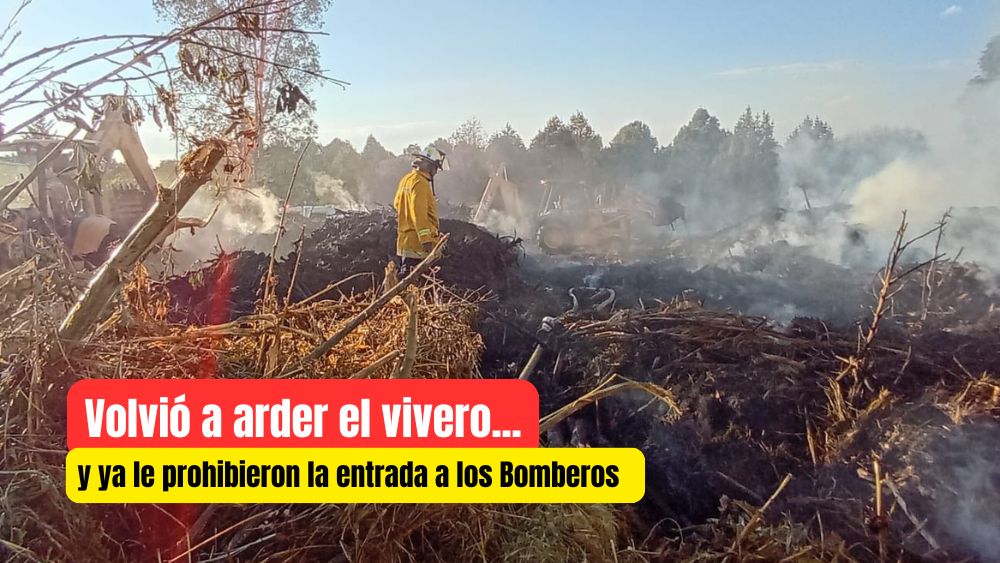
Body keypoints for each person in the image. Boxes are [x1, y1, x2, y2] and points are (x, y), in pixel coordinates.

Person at [393, 146, 449, 276]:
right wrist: (426, 239)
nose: (435, 172)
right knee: (416, 285)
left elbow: (397, 204)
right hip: (418, 246)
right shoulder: (421, 184)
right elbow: (418, 214)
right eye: (435, 168)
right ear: (429, 166)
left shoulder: (406, 180)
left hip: (404, 242)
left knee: (406, 279)